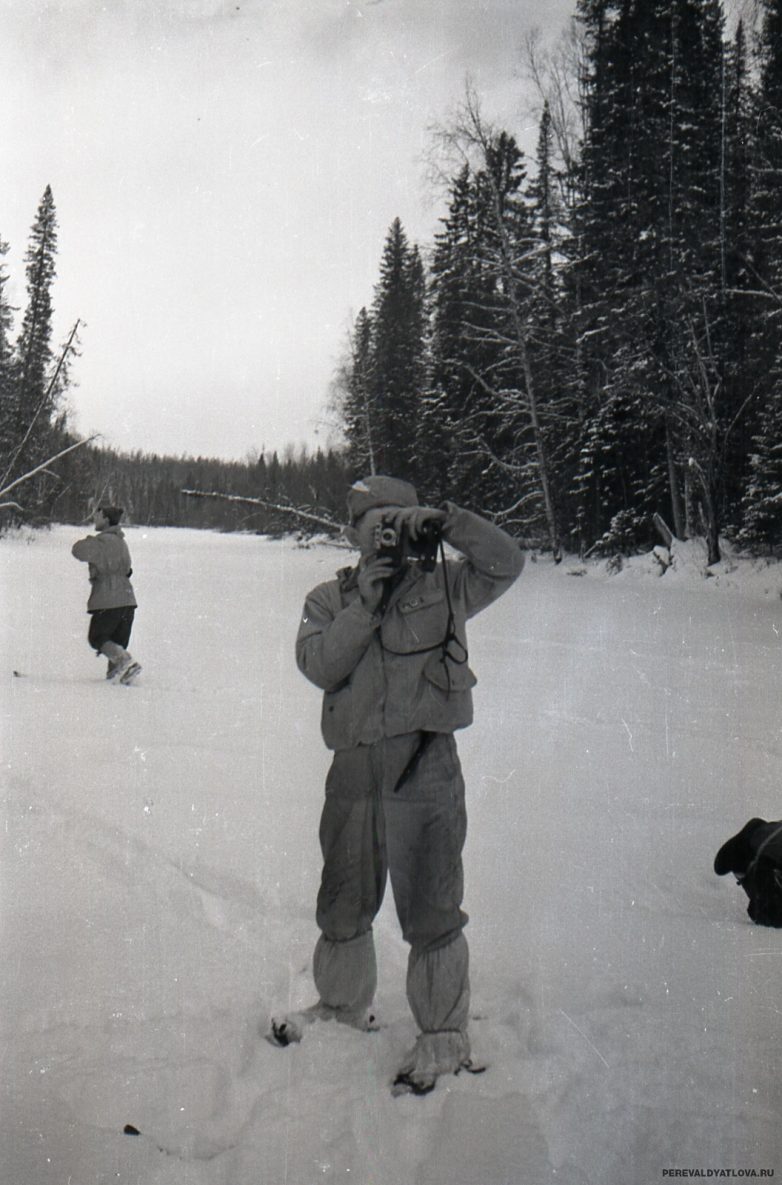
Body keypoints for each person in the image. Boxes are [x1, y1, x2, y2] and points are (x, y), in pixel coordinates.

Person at [270, 475, 524, 1094]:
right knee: (344, 895)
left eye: (397, 520)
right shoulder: (330, 599)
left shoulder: (447, 583)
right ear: (354, 532)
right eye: (374, 523)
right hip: (354, 771)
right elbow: (320, 664)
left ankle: (442, 1035)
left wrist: (450, 521)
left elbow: (508, 562)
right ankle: (340, 1006)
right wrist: (368, 605)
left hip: (425, 763)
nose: (386, 533)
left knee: (432, 902)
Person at [71, 504, 141, 684]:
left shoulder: (102, 542)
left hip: (108, 600)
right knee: (117, 642)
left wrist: (90, 540)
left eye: (98, 515)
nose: (94, 518)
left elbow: (77, 550)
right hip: (127, 600)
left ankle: (125, 662)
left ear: (107, 520)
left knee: (97, 637)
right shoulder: (121, 542)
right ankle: (118, 677)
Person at [714, 817, 782, 927]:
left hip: (767, 845)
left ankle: (758, 835)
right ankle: (744, 852)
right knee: (773, 916)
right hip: (762, 851)